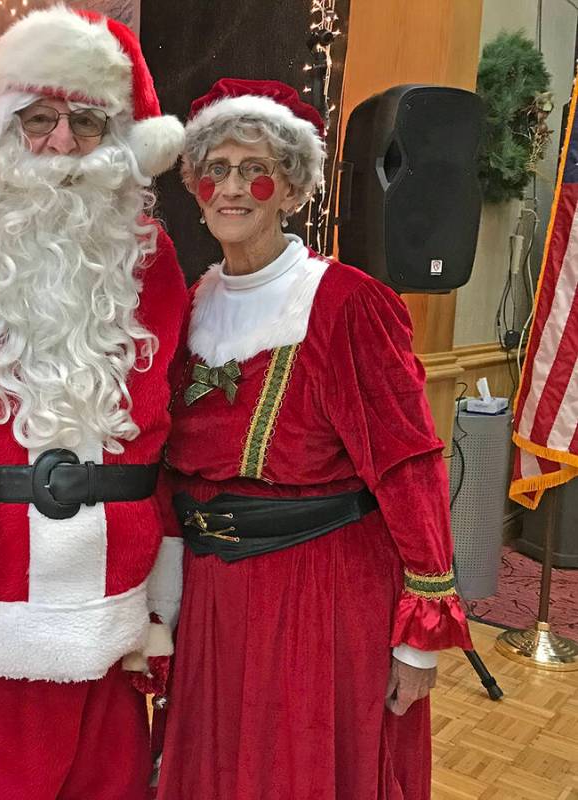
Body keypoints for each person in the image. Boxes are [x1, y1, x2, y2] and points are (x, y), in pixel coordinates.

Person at [156, 78, 474, 800]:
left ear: (290, 188)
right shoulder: (191, 304)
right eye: (216, 169)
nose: (231, 187)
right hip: (212, 599)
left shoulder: (346, 303)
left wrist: (418, 630)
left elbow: (409, 466)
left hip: (318, 596)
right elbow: (170, 474)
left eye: (253, 168)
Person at [0, 7, 187, 799]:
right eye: (38, 119)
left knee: (116, 781)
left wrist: (163, 592)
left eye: (87, 123)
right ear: (4, 130)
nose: (61, 143)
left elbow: (168, 429)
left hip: (119, 585)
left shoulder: (151, 259)